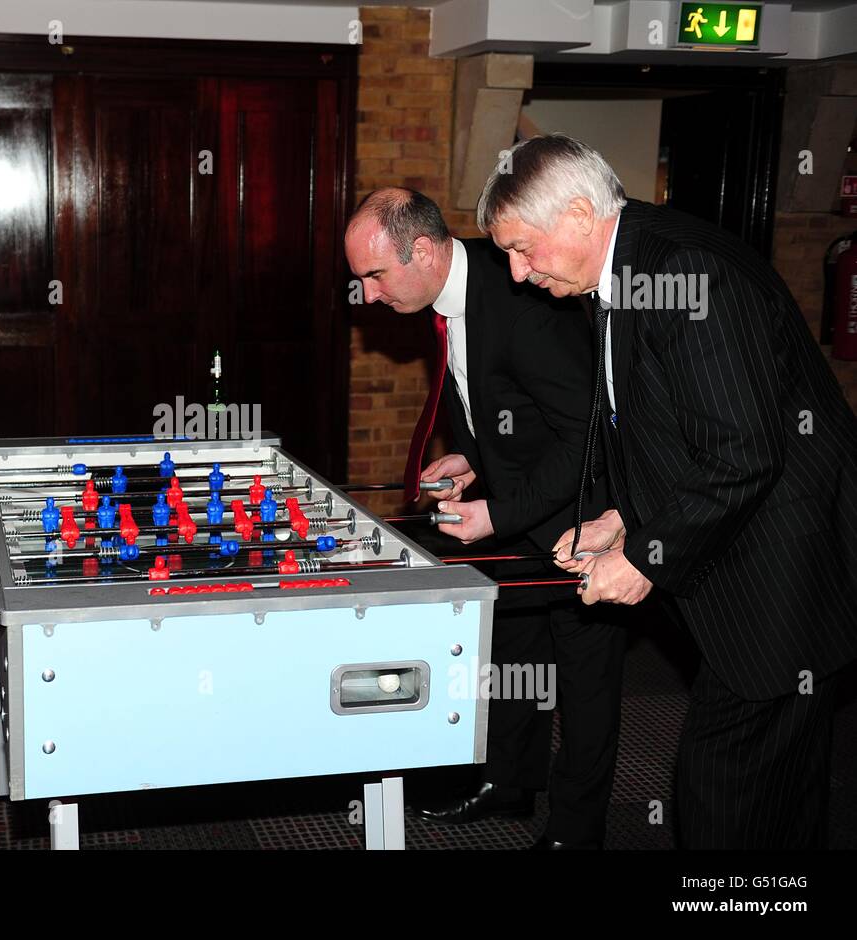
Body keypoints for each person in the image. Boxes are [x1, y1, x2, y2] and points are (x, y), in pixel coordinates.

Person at [479, 133, 857, 848]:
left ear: (581, 214)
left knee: (722, 790)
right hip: (753, 555)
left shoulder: (687, 272)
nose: (520, 274)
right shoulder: (620, 268)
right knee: (779, 787)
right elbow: (675, 427)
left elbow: (741, 453)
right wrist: (623, 517)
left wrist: (645, 557)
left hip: (786, 573)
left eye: (524, 249)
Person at [345, 187, 625, 849]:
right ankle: (508, 782)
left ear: (422, 251)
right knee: (511, 656)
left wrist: (496, 511)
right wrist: (470, 461)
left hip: (587, 518)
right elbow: (500, 407)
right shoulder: (451, 293)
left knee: (585, 685)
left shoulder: (521, 301)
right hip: (517, 508)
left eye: (376, 277)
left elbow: (584, 436)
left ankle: (577, 831)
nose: (370, 296)